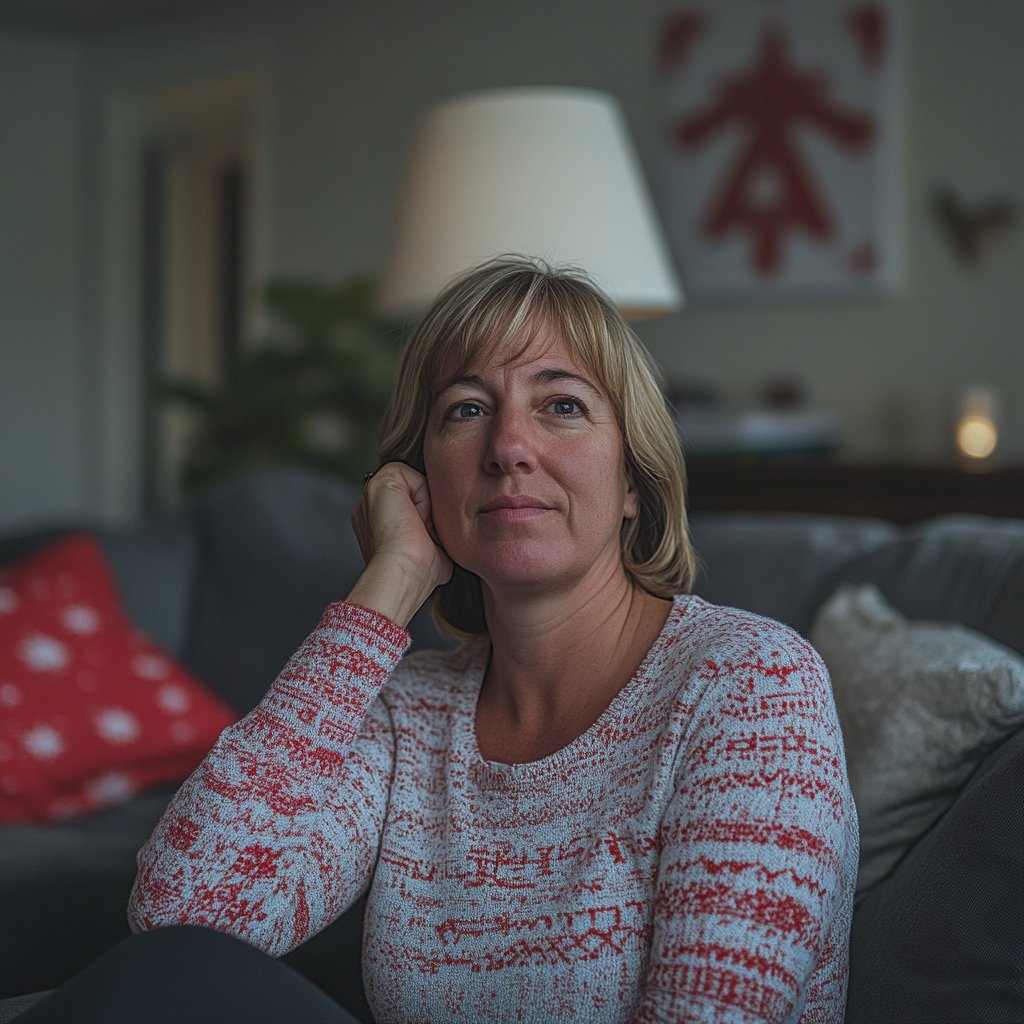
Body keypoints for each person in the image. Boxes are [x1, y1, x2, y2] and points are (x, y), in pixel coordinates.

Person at [21, 257, 858, 1024]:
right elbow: (181, 917)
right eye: (466, 411)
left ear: (634, 481)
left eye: (561, 405)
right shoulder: (410, 711)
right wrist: (383, 594)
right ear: (420, 482)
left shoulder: (752, 687)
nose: (508, 448)